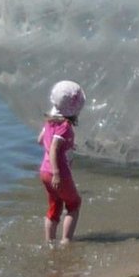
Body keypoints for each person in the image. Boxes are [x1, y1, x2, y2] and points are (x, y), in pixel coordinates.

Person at [39, 80, 85, 245]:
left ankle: (49, 242)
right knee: (74, 204)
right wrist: (57, 174)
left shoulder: (49, 121)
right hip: (58, 173)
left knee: (54, 206)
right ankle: (66, 241)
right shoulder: (65, 126)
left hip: (44, 172)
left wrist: (68, 145)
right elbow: (53, 149)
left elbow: (41, 140)